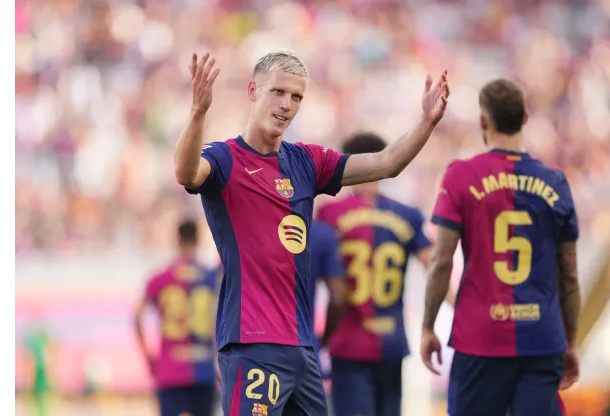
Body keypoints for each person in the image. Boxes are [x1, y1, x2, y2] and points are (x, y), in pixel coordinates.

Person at [174, 49, 449, 415]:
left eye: (297, 97)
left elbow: (386, 163)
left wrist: (427, 123)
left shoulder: (306, 161)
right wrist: (198, 113)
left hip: (303, 350)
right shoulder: (224, 159)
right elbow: (186, 173)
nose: (287, 104)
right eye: (279, 92)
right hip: (252, 343)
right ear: (254, 90)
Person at [420, 79, 581, 416]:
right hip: (542, 336)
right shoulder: (555, 182)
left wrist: (428, 326)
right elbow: (569, 274)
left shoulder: (461, 176)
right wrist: (572, 339)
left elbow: (441, 261)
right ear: (524, 117)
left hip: (479, 337)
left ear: (483, 121)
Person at [316, 132, 433, 416]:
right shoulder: (408, 214)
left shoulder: (330, 214)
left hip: (347, 342)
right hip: (392, 341)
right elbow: (436, 265)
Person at [133, 220, 220, 416]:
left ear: (177, 240)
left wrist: (148, 354)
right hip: (204, 368)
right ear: (198, 240)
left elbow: (137, 315)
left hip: (170, 368)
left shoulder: (161, 278)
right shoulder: (211, 277)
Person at [307, 219, 347, 378]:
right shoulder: (320, 233)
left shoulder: (248, 228)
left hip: (254, 348)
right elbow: (338, 297)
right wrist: (323, 340)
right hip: (303, 345)